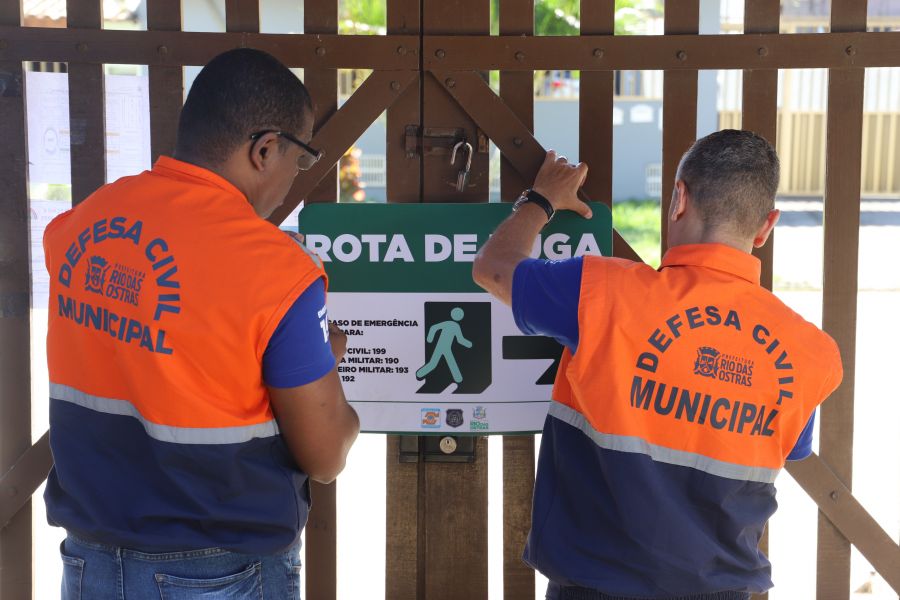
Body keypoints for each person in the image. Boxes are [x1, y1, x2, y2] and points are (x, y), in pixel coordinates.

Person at [43, 48, 359, 599]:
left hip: (89, 563)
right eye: (299, 159)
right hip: (220, 573)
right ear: (264, 149)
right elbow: (326, 454)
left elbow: (161, 347)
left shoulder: (83, 222)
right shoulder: (278, 270)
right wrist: (325, 365)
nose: (293, 177)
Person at [473, 130, 843, 600]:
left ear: (679, 199)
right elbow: (790, 447)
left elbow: (494, 266)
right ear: (766, 225)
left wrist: (542, 199)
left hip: (594, 589)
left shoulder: (602, 292)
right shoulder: (810, 353)